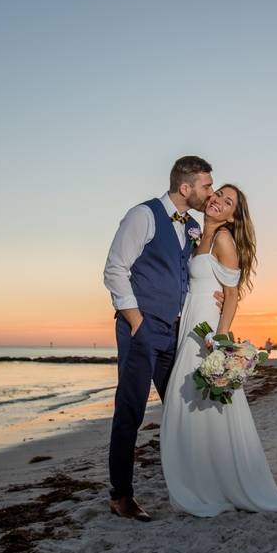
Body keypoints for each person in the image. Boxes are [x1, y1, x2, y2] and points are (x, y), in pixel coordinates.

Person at [159, 184, 277, 517]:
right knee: (189, 406)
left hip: (206, 333)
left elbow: (232, 296)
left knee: (203, 405)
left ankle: (215, 484)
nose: (218, 201)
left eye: (228, 202)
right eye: (218, 195)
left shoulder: (224, 241)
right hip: (190, 322)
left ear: (233, 215)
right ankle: (202, 481)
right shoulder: (198, 235)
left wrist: (220, 340)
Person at [102, 155, 219, 521]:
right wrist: (135, 319)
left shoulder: (192, 226)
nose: (210, 192)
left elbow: (187, 274)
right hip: (142, 328)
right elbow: (115, 269)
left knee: (184, 407)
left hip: (174, 332)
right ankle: (121, 495)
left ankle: (191, 483)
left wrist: (210, 293)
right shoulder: (144, 215)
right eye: (206, 186)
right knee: (131, 410)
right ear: (186, 188)